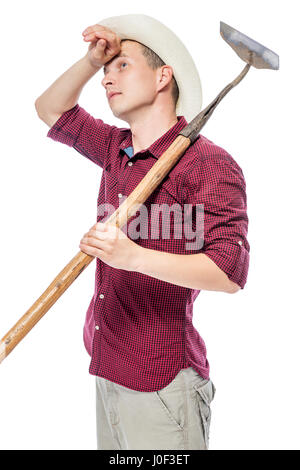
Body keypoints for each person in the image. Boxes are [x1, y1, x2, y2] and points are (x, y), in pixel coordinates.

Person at [35, 14, 250, 450]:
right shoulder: (116, 149)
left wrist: (131, 256)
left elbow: (229, 273)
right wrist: (92, 60)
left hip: (162, 383)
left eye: (122, 65)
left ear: (162, 76)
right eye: (106, 70)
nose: (106, 80)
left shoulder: (207, 163)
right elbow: (50, 109)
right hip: (106, 366)